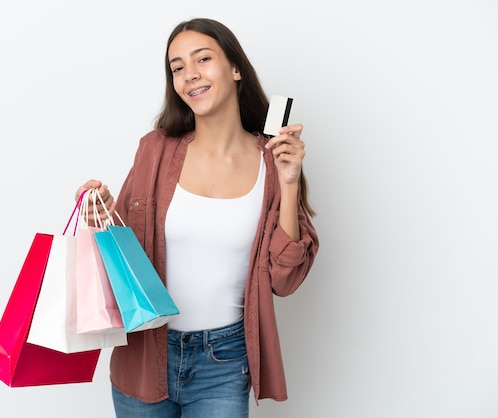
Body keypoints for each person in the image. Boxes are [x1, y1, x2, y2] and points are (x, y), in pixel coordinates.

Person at [75, 17, 319, 418]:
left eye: (202, 59)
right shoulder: (155, 150)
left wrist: (290, 184)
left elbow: (284, 280)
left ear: (235, 68)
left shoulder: (273, 163)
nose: (190, 75)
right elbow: (122, 257)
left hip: (223, 362)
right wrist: (99, 212)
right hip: (144, 356)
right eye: (177, 68)